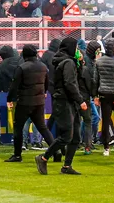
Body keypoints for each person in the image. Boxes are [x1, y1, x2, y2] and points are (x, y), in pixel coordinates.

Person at [35, 37, 87, 176]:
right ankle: (44, 157)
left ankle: (67, 166)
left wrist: (80, 63)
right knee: (67, 136)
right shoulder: (68, 62)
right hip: (65, 101)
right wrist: (80, 100)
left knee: (75, 137)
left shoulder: (64, 61)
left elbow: (76, 79)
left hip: (68, 101)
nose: (78, 50)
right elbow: (70, 83)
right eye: (76, 48)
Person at [5, 44, 55, 163]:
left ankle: (17, 155)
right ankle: (55, 151)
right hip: (39, 102)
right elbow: (46, 83)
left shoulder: (22, 67)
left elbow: (14, 86)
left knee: (18, 128)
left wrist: (10, 99)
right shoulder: (43, 67)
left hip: (24, 102)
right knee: (42, 127)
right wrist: (43, 93)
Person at [92, 39, 114, 157]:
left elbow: (95, 80)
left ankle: (106, 147)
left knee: (105, 121)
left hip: (105, 94)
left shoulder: (99, 62)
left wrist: (95, 95)